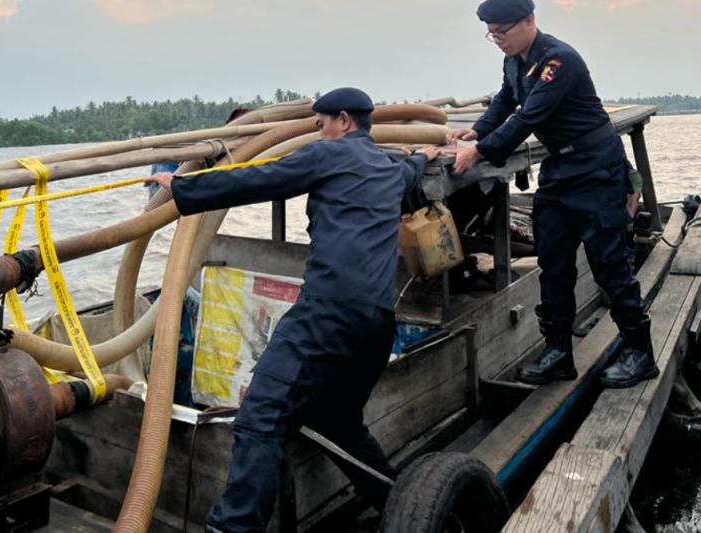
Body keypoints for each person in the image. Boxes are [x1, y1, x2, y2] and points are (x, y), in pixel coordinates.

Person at [145, 87, 440, 532]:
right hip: (377, 323)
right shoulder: (391, 167)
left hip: (326, 314)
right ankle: (400, 505)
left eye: (321, 125)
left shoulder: (327, 156)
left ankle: (234, 529)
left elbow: (256, 178)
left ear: (343, 121)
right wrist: (426, 152)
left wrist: (180, 186)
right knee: (339, 421)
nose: (318, 134)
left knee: (259, 418)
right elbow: (417, 166)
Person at [448, 0, 658, 389]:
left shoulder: (558, 62)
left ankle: (640, 353)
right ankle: (558, 352)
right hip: (560, 173)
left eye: (502, 31)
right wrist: (475, 131)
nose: (496, 39)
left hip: (596, 169)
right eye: (490, 33)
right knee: (554, 261)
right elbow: (505, 101)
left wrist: (478, 152)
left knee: (609, 263)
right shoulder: (514, 61)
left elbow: (529, 117)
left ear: (529, 20)